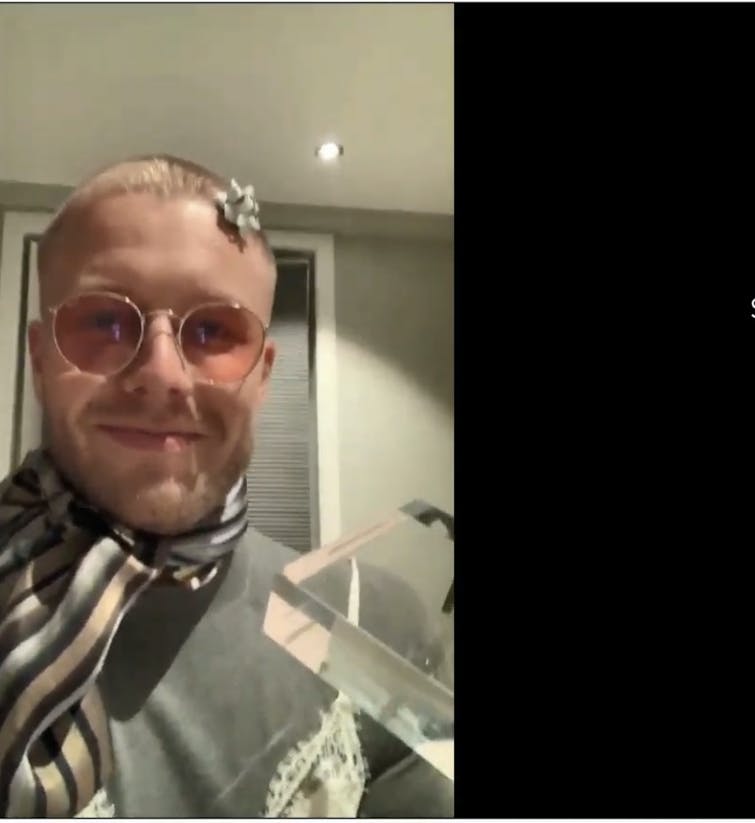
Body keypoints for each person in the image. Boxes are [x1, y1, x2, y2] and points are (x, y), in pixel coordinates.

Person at [0, 155, 453, 817]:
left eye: (213, 331)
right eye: (104, 322)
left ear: (263, 374)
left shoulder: (378, 630)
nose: (163, 374)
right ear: (40, 359)